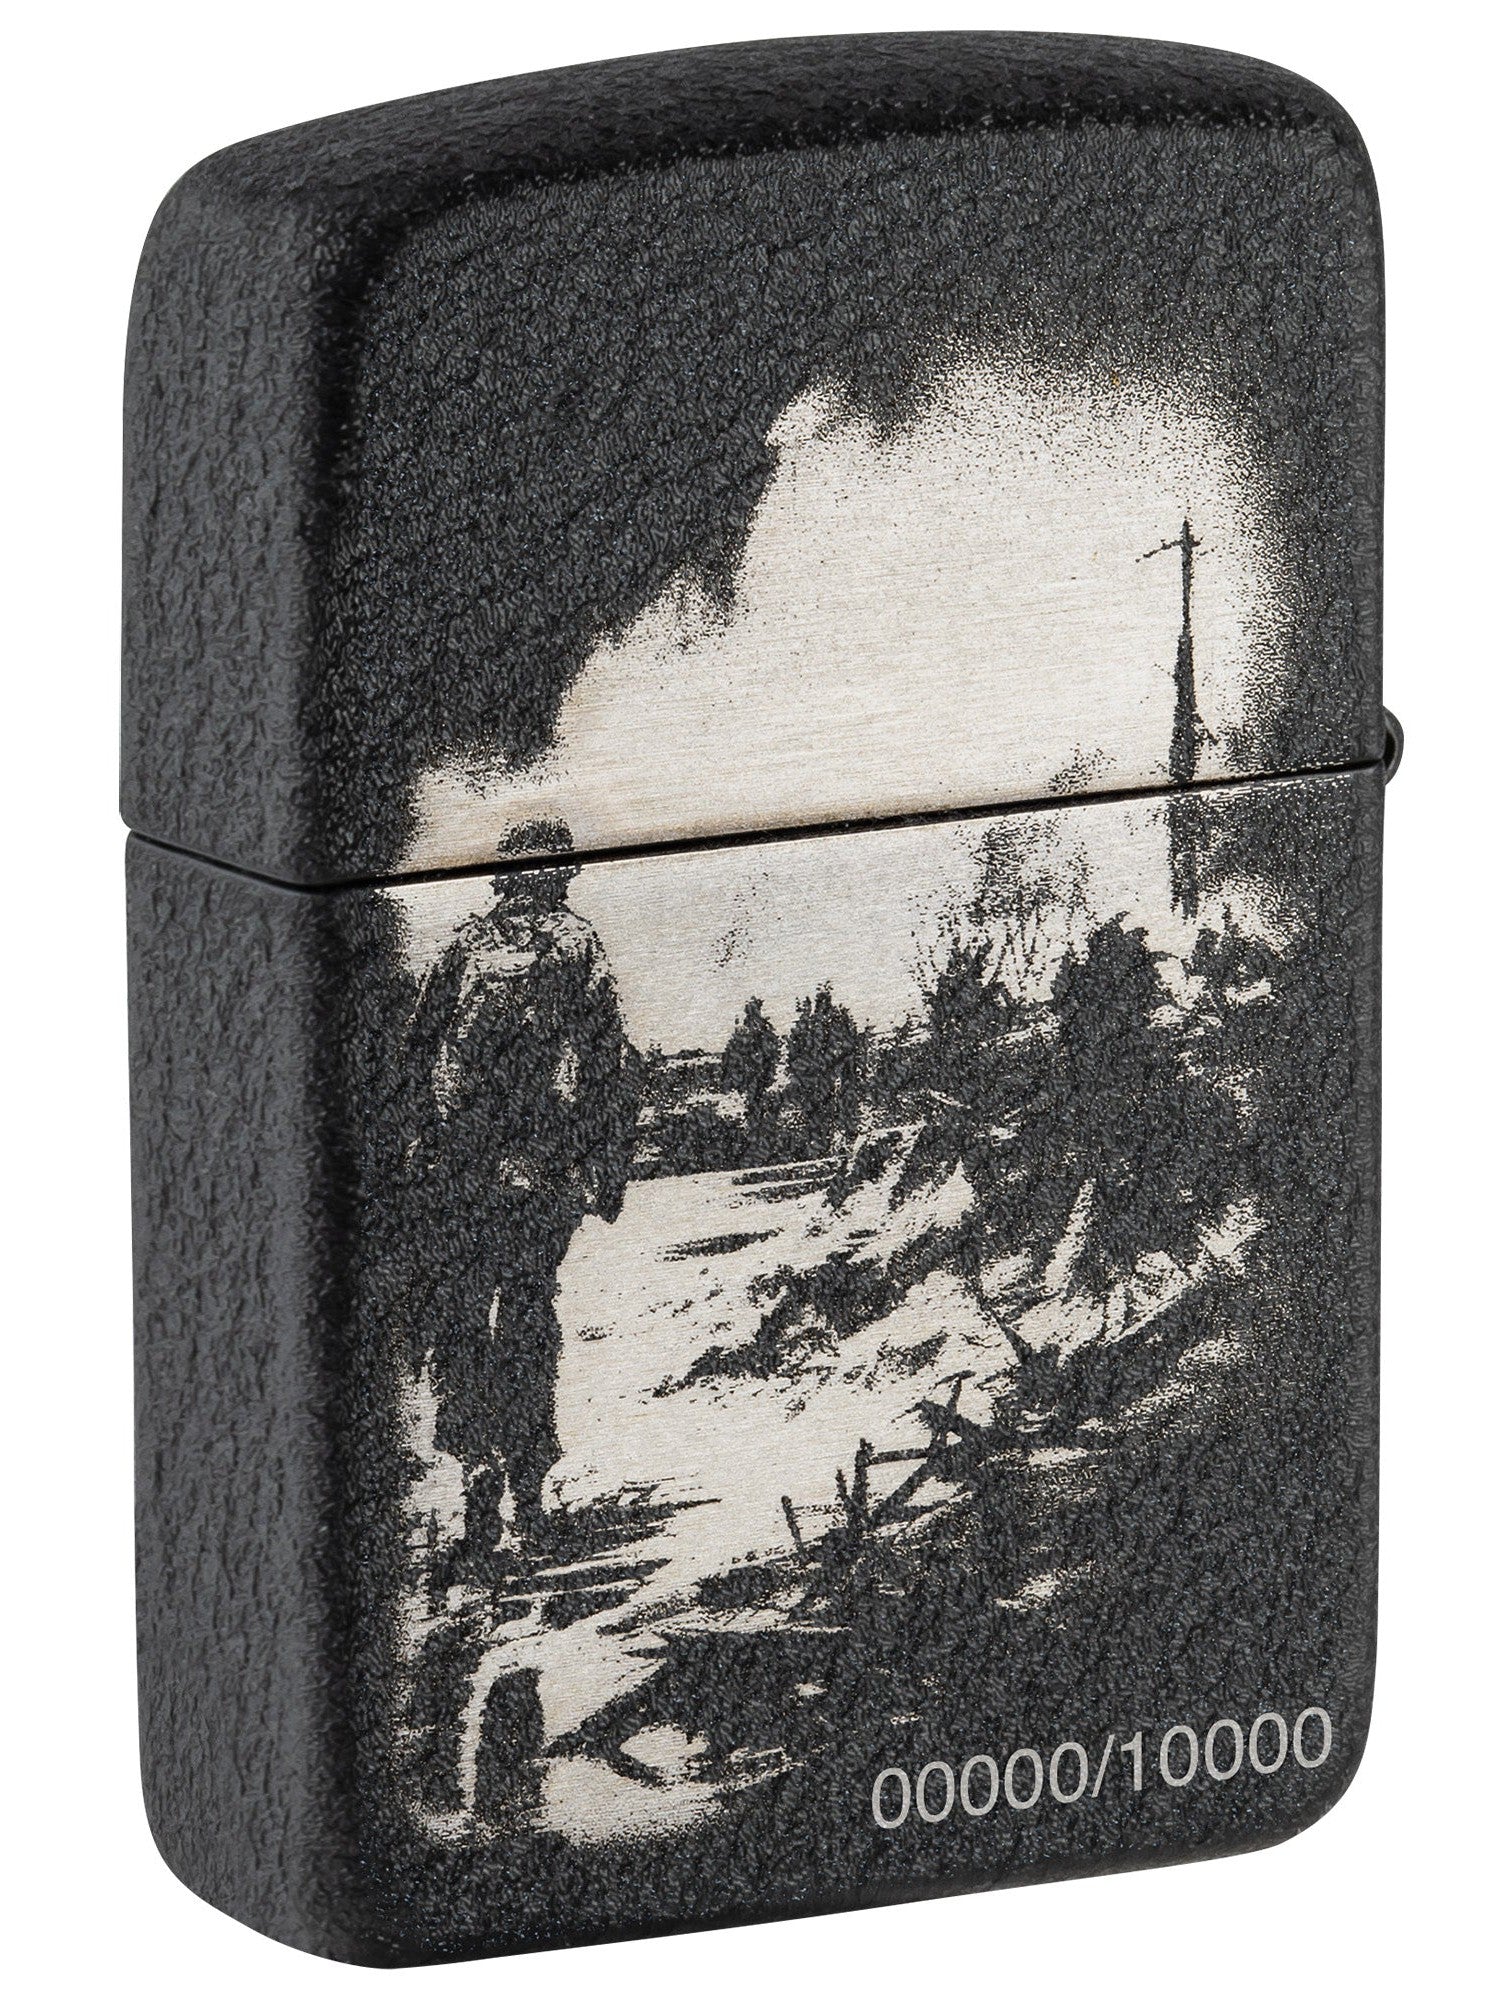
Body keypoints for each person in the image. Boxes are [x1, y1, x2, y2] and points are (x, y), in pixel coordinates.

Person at [404, 821, 638, 1546]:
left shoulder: (463, 945)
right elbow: (607, 1062)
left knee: (464, 1316)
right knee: (529, 1315)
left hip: (463, 1168)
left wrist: (422, 1153)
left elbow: (415, 1054)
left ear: (502, 877)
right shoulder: (578, 944)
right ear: (561, 875)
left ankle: (477, 1468)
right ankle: (528, 1481)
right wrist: (602, 1167)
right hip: (540, 1169)